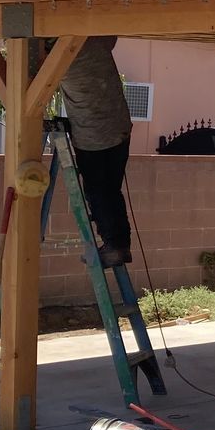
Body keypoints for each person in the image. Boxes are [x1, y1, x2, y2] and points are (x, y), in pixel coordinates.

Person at [58, 35, 134, 266]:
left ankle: (115, 247)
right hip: (119, 128)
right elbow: (110, 37)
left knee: (98, 192)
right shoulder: (93, 39)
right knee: (110, 191)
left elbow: (29, 69)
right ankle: (118, 245)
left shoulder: (61, 58)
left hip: (94, 136)